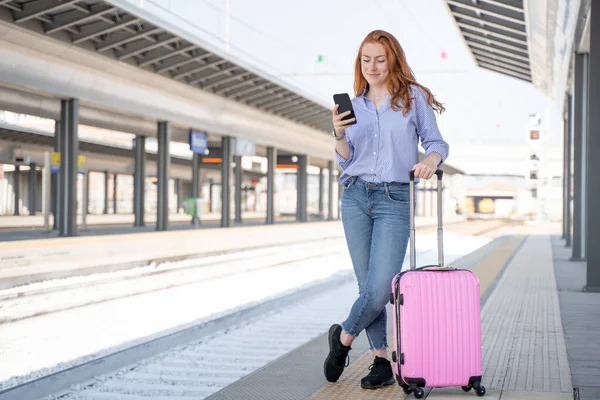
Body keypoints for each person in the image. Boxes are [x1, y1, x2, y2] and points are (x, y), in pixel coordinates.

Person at [324, 29, 449, 389]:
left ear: (393, 59)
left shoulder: (413, 98)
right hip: (355, 196)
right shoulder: (353, 104)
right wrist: (336, 134)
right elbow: (345, 159)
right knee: (367, 286)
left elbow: (437, 141)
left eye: (380, 58)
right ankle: (381, 360)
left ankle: (342, 339)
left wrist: (430, 160)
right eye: (366, 59)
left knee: (380, 288)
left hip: (395, 198)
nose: (372, 66)